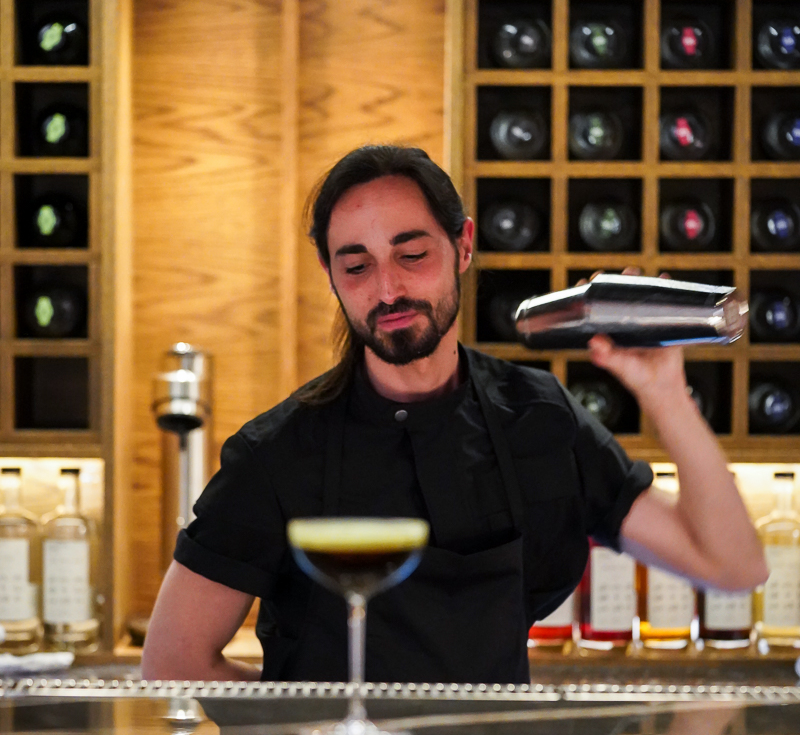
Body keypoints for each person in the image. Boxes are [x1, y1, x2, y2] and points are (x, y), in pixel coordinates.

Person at [141, 145, 767, 684]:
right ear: (330, 275)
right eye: (356, 266)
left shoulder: (538, 416)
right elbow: (173, 661)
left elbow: (732, 566)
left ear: (463, 245)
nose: (387, 290)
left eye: (412, 255)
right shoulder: (275, 454)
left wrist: (663, 391)